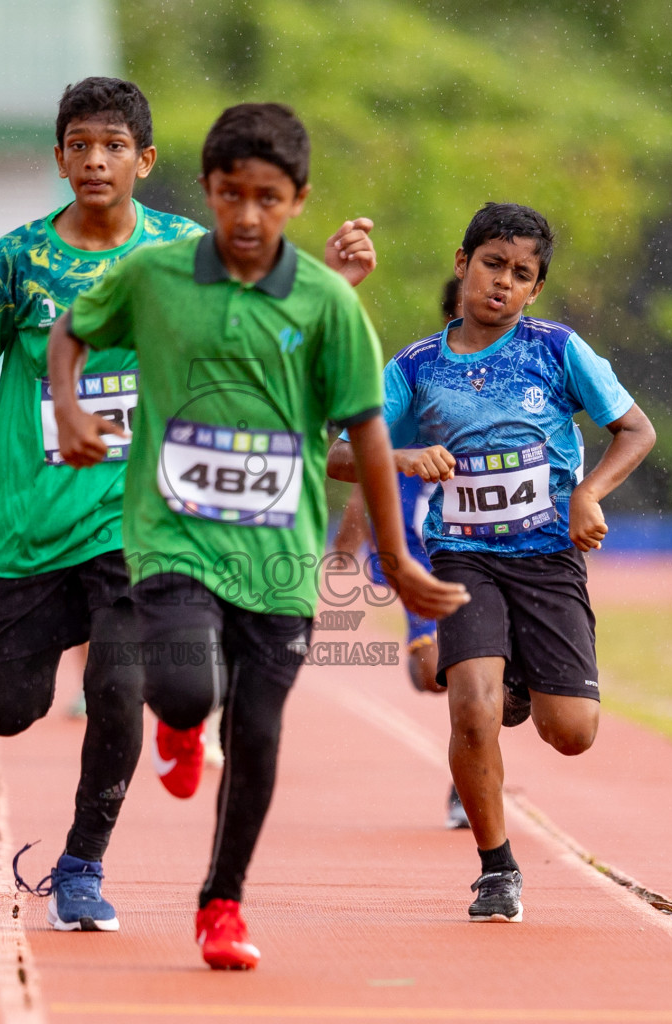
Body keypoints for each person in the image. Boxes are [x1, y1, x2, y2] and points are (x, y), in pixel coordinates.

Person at [0, 79, 384, 937]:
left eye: (115, 146)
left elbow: (264, 332)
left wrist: (336, 281)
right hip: (27, 522)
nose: (96, 160)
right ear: (59, 159)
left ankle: (84, 864)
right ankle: (140, 713)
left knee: (120, 686)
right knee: (7, 708)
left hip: (146, 520)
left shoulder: (185, 249)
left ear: (145, 161)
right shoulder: (12, 265)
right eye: (80, 145)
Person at [48, 102, 467, 970]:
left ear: (298, 200)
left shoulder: (327, 307)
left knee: (261, 734)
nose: (246, 217)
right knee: (188, 691)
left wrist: (394, 559)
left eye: (267, 199)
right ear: (205, 190)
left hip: (279, 564)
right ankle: (178, 724)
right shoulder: (158, 276)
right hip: (173, 539)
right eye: (231, 195)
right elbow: (70, 330)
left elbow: (369, 437)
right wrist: (69, 401)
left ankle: (223, 903)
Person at [327, 202, 656, 924]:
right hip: (462, 557)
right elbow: (341, 452)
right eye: (492, 265)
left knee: (571, 732)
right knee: (469, 708)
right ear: (462, 263)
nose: (503, 284)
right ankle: (495, 867)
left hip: (548, 560)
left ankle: (519, 690)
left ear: (536, 289)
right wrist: (405, 455)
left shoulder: (558, 350)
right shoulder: (416, 368)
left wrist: (589, 494)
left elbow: (635, 429)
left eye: (521, 274)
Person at [329, 277, 464, 829]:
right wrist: (346, 543)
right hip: (421, 556)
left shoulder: (525, 375)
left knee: (477, 671)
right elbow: (361, 459)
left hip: (492, 549)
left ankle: (468, 781)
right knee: (435, 673)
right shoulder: (419, 379)